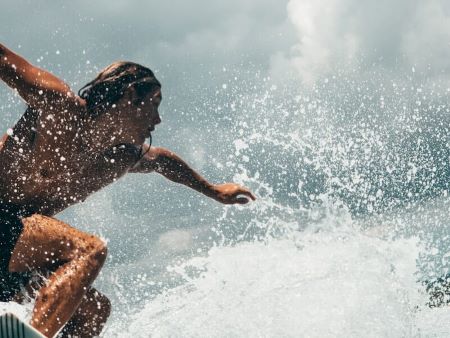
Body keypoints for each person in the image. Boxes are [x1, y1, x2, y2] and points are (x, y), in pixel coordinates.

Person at [0, 42, 256, 337]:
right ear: (130, 96)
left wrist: (213, 191)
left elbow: (161, 161)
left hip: (12, 253)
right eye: (155, 104)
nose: (158, 120)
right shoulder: (60, 109)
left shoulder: (117, 158)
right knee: (89, 250)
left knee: (94, 311)